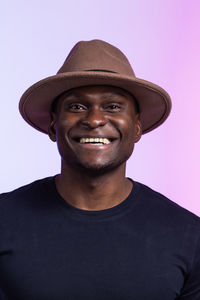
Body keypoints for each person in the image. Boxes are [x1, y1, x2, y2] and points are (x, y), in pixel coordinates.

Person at [0, 40, 199, 300]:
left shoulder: (189, 236)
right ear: (52, 126)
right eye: (77, 107)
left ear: (137, 127)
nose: (94, 120)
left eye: (113, 107)